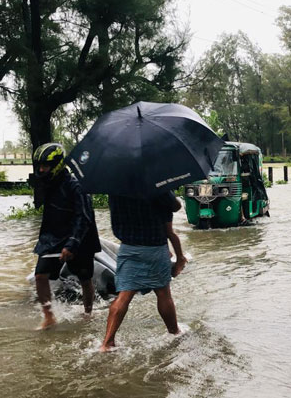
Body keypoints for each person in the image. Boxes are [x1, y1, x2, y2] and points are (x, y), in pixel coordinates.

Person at [100, 191, 187, 352]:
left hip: (128, 248)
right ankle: (174, 332)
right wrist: (180, 258)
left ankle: (107, 343)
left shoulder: (116, 190)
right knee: (163, 293)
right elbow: (176, 207)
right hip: (155, 247)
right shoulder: (155, 184)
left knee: (124, 295)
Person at [31, 143, 101, 330]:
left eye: (45, 165)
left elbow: (83, 217)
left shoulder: (76, 185)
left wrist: (72, 243)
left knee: (85, 279)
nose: (41, 169)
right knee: (40, 276)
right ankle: (49, 316)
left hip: (80, 238)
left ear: (58, 164)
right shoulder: (47, 183)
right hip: (53, 237)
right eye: (39, 165)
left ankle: (88, 313)